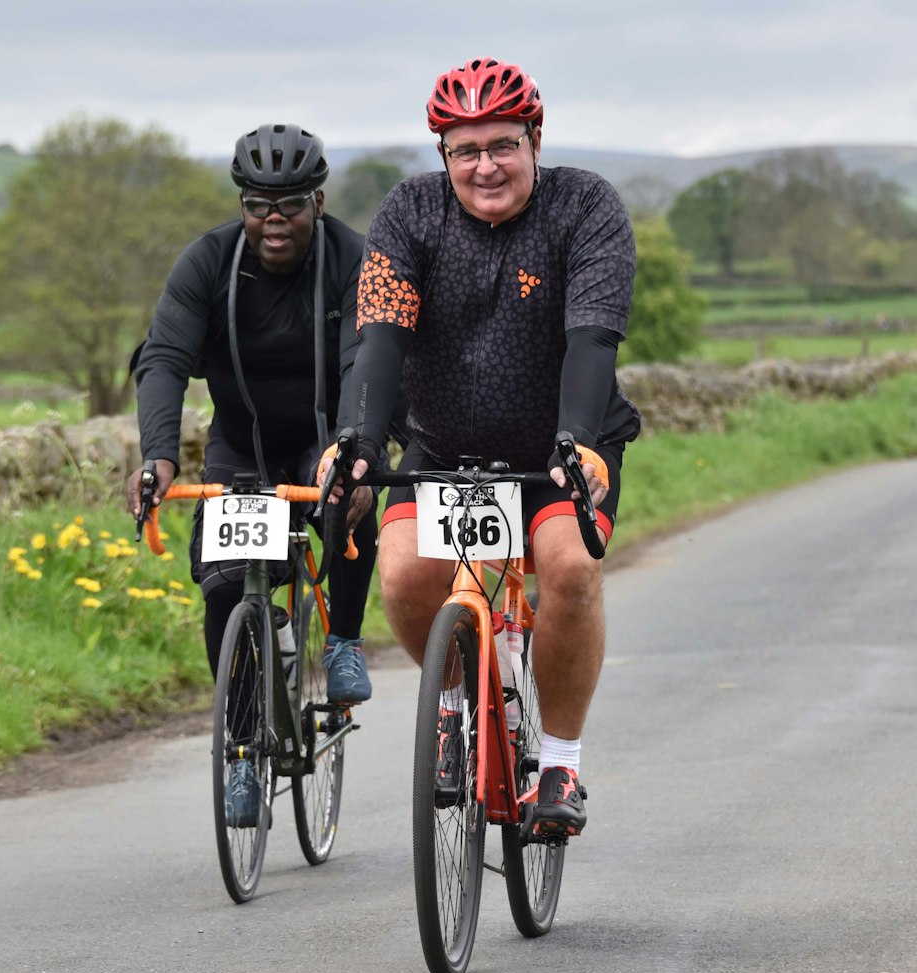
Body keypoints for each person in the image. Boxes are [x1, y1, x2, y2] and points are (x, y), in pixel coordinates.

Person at [322, 57, 641, 840]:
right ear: (443, 157)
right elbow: (380, 338)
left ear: (535, 139)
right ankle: (456, 709)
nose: (485, 166)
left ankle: (560, 763)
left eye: (502, 145)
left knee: (569, 568)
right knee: (402, 576)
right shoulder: (410, 214)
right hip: (442, 448)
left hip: (560, 445)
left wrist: (581, 442)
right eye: (465, 151)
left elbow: (591, 341)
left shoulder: (585, 207)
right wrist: (360, 436)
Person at [127, 125, 392, 825]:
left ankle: (342, 641)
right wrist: (157, 454)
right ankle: (241, 753)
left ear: (318, 200)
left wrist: (354, 448)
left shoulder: (350, 259)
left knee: (349, 497)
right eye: (257, 205)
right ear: (242, 205)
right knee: (223, 588)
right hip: (240, 444)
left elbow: (364, 362)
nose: (274, 220)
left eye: (291, 206)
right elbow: (162, 361)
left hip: (328, 431)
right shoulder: (208, 262)